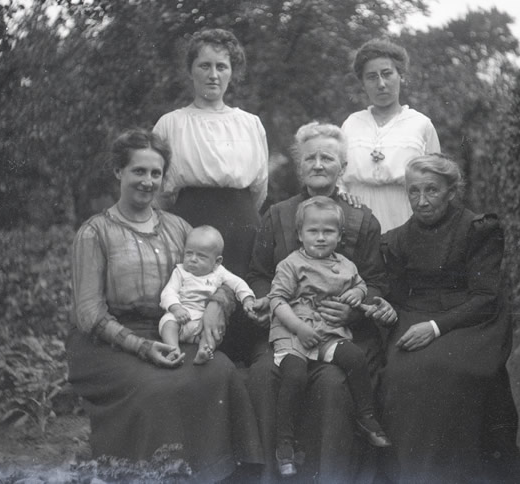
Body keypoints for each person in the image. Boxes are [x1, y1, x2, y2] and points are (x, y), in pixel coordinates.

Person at [67, 129, 262, 482]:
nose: (148, 181)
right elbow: (88, 314)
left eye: (155, 173)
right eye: (138, 171)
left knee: (221, 371)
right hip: (111, 344)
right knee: (158, 389)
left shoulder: (179, 227)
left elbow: (220, 278)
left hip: (173, 329)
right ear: (118, 172)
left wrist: (217, 305)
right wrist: (141, 347)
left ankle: (219, 475)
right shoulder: (95, 233)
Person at [247, 122, 397, 483]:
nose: (317, 164)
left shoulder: (361, 218)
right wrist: (277, 306)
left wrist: (353, 308)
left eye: (327, 158)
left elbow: (375, 280)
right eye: (310, 157)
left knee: (332, 383)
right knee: (265, 374)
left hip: (342, 331)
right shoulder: (278, 215)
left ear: (342, 167)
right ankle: (274, 473)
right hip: (288, 329)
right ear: (300, 166)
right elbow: (258, 274)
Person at [379, 154, 520, 482]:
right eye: (413, 192)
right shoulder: (395, 239)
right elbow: (392, 292)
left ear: (452, 192)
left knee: (448, 370)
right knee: (400, 373)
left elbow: (485, 296)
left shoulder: (479, 229)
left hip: (471, 318)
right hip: (414, 314)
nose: (421, 202)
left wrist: (436, 328)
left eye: (432, 191)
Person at [268, 196, 391, 477]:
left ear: (339, 236)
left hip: (328, 333)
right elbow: (277, 300)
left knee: (355, 357)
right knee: (295, 375)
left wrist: (356, 294)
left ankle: (366, 416)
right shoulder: (291, 264)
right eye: (313, 231)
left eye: (328, 232)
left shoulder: (346, 265)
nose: (321, 238)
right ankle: (284, 443)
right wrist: (298, 328)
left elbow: (360, 285)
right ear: (300, 235)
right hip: (294, 332)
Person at [153, 28, 268, 278]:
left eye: (222, 67)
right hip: (188, 225)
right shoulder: (170, 124)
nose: (213, 75)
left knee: (241, 302)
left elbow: (259, 189)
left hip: (242, 229)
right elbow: (158, 193)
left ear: (232, 72)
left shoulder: (250, 124)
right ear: (190, 71)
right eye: (204, 66)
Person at [341, 38, 441, 233]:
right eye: (371, 77)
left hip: (405, 214)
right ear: (362, 83)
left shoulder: (421, 124)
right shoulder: (351, 124)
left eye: (387, 74)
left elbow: (436, 180)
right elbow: (337, 177)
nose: (381, 84)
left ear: (401, 76)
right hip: (357, 215)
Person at [159, 225, 257, 365]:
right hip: (180, 317)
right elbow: (168, 292)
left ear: (217, 261)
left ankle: (203, 351)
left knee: (213, 331)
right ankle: (173, 349)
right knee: (167, 322)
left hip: (202, 321)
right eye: (189, 253)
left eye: (201, 256)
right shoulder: (180, 272)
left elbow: (238, 284)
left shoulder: (220, 273)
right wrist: (176, 308)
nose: (193, 259)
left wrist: (247, 299)